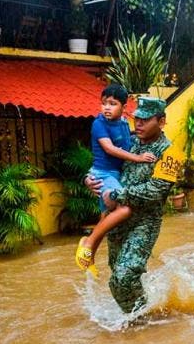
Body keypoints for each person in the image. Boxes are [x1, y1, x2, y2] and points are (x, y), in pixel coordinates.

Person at [84, 97, 181, 314]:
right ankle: (139, 319)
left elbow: (156, 190)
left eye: (145, 120)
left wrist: (118, 195)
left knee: (124, 275)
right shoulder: (127, 141)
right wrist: (89, 179)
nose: (138, 124)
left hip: (144, 223)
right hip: (117, 221)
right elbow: (103, 163)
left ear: (162, 121)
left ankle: (142, 323)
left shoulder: (170, 152)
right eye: (137, 119)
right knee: (116, 278)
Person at [75, 84, 157, 275]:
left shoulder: (123, 125)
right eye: (104, 103)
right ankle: (88, 242)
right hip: (104, 174)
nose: (107, 107)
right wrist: (138, 158)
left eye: (112, 104)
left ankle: (89, 256)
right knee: (124, 208)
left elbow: (128, 142)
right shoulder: (99, 124)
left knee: (105, 216)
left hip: (115, 175)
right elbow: (110, 149)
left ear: (124, 107)